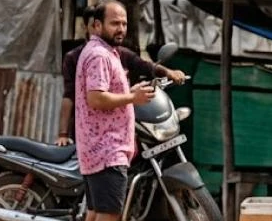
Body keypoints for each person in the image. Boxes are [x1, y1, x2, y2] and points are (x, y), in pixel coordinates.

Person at [76, 0, 155, 221]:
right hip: (106, 146)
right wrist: (131, 98)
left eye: (123, 23)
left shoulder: (104, 53)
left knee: (96, 212)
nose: (121, 28)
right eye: (114, 23)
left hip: (99, 145)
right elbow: (96, 98)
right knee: (107, 214)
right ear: (95, 25)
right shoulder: (98, 55)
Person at [57, 32, 185, 147]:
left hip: (120, 124)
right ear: (87, 27)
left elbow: (145, 65)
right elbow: (69, 95)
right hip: (91, 128)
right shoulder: (75, 58)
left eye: (124, 24)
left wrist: (168, 72)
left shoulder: (119, 53)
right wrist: (63, 133)